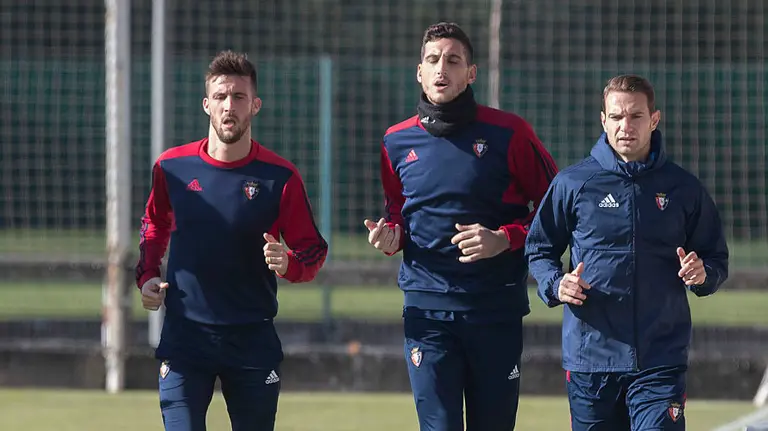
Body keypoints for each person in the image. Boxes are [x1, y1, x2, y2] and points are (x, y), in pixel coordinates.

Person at [364, 22, 558, 430]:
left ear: (472, 74)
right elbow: (398, 209)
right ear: (419, 71)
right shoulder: (394, 141)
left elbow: (556, 209)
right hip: (426, 311)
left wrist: (505, 239)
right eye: (433, 60)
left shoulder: (510, 133)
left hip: (495, 309)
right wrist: (390, 235)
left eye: (453, 61)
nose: (442, 69)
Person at [135, 50, 328, 431]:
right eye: (221, 97)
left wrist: (289, 263)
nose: (229, 106)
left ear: (255, 105)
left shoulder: (280, 177)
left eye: (239, 97)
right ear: (207, 104)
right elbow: (154, 224)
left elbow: (313, 251)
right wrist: (146, 277)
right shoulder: (171, 167)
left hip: (252, 337)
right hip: (186, 337)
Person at [524, 74, 729, 430]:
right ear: (603, 120)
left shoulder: (683, 188)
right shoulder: (573, 184)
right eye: (616, 117)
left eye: (635, 116)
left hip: (659, 358)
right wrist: (556, 284)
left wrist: (703, 274)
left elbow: (714, 258)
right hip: (591, 360)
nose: (625, 126)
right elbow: (539, 248)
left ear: (654, 119)